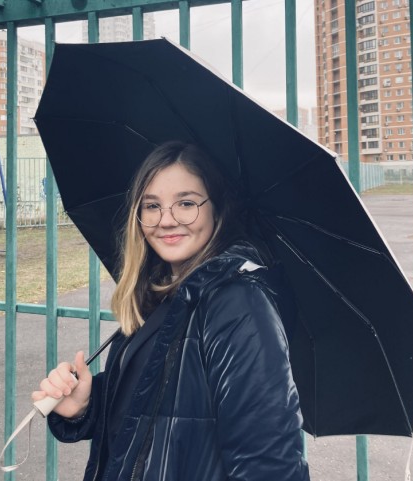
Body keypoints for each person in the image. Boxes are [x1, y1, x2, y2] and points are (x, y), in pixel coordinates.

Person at [32, 141, 310, 481]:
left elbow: (270, 466)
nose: (166, 220)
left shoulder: (237, 305)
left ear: (217, 210)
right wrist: (87, 405)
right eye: (152, 206)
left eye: (186, 203)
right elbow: (156, 409)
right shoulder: (164, 293)